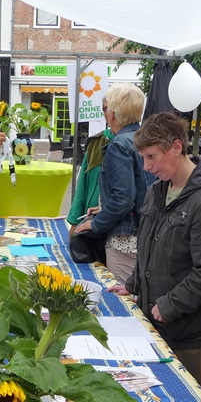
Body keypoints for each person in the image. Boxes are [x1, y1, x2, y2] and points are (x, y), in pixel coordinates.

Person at [109, 112, 201, 398]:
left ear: (177, 147)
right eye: (143, 158)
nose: (147, 166)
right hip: (160, 326)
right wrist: (133, 284)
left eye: (152, 157)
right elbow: (150, 247)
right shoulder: (158, 190)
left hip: (193, 337)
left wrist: (170, 305)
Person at [74, 83, 155, 284]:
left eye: (106, 107)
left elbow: (123, 199)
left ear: (113, 113)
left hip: (125, 238)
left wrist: (95, 223)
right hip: (145, 232)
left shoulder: (119, 145)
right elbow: (138, 189)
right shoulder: (142, 138)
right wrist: (103, 208)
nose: (105, 112)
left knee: (124, 300)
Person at [66, 128, 113, 235]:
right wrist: (75, 222)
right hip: (89, 225)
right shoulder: (97, 142)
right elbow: (82, 185)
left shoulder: (135, 142)